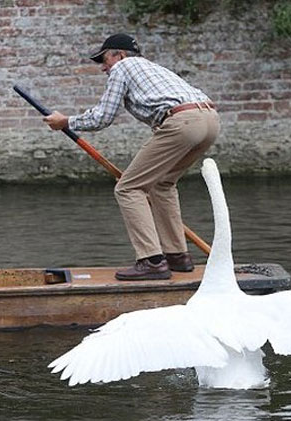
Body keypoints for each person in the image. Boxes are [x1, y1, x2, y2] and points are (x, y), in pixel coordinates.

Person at [44, 33, 220, 281]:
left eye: (104, 59)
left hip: (183, 121)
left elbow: (103, 117)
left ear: (120, 55)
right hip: (210, 120)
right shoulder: (154, 68)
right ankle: (177, 256)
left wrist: (66, 121)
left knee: (128, 188)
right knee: (162, 184)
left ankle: (152, 261)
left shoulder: (123, 67)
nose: (103, 67)